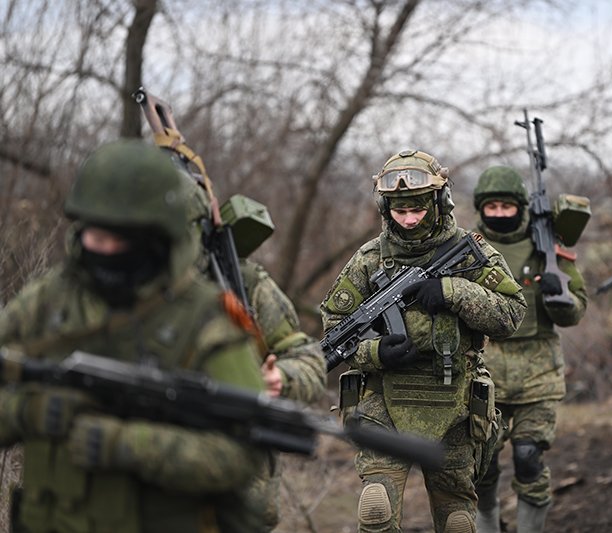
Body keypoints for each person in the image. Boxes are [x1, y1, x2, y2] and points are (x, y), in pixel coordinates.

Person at [0, 140, 267, 533]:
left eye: (120, 239)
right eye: (94, 234)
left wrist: (128, 444)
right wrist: (28, 412)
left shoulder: (209, 320)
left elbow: (243, 455)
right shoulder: (47, 301)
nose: (103, 248)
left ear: (157, 236)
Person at [320, 149, 527, 533]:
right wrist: (375, 352)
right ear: (386, 209)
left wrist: (453, 291)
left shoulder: (472, 252)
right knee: (375, 509)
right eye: (400, 211)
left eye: (417, 209)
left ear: (439, 202)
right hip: (384, 399)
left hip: (454, 401)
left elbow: (512, 314)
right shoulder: (369, 260)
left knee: (457, 521)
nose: (410, 220)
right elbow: (335, 328)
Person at [181, 159, 327, 530]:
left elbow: (308, 358)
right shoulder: (111, 280)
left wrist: (283, 378)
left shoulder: (242, 281)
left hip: (240, 489)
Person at [471, 166, 588, 533]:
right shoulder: (467, 250)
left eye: (508, 206)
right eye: (493, 207)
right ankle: (488, 526)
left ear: (520, 207)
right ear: (481, 209)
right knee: (482, 466)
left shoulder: (547, 248)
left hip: (538, 375)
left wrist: (560, 295)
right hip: (483, 374)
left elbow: (575, 312)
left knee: (529, 458)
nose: (500, 214)